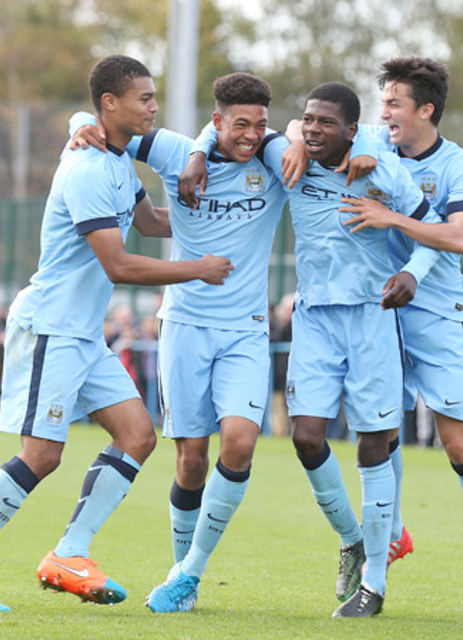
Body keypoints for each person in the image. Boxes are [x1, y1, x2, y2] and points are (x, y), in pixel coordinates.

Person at [0, 54, 233, 613]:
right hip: (50, 329)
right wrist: (198, 267)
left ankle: (70, 551)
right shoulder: (88, 168)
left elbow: (152, 224)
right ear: (109, 104)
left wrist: (222, 211)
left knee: (138, 435)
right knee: (41, 455)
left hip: (82, 335)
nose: (154, 106)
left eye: (153, 96)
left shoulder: (116, 160)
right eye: (144, 98)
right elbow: (119, 265)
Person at [181, 81, 442, 618]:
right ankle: (354, 539)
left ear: (351, 130)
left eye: (327, 123)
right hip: (314, 320)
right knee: (305, 437)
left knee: (373, 444)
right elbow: (233, 126)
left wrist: (413, 273)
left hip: (372, 317)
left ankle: (373, 581)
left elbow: (433, 227)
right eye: (308, 121)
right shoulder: (289, 157)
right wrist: (200, 151)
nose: (315, 129)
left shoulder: (380, 168)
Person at [66, 72, 290, 613]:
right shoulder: (172, 151)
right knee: (191, 458)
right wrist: (79, 126)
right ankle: (181, 565)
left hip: (245, 329)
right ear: (216, 122)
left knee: (239, 441)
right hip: (185, 326)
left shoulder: (276, 162)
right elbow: (104, 123)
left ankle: (188, 573)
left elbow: (312, 140)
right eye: (240, 124)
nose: (251, 136)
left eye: (260, 124)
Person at [322, 57, 463, 614]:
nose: (384, 115)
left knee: (457, 444)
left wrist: (393, 220)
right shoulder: (376, 146)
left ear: (426, 110)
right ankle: (391, 541)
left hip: (437, 314)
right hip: (379, 312)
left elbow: (457, 237)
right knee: (380, 432)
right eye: (382, 104)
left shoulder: (460, 165)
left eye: (394, 105)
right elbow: (304, 124)